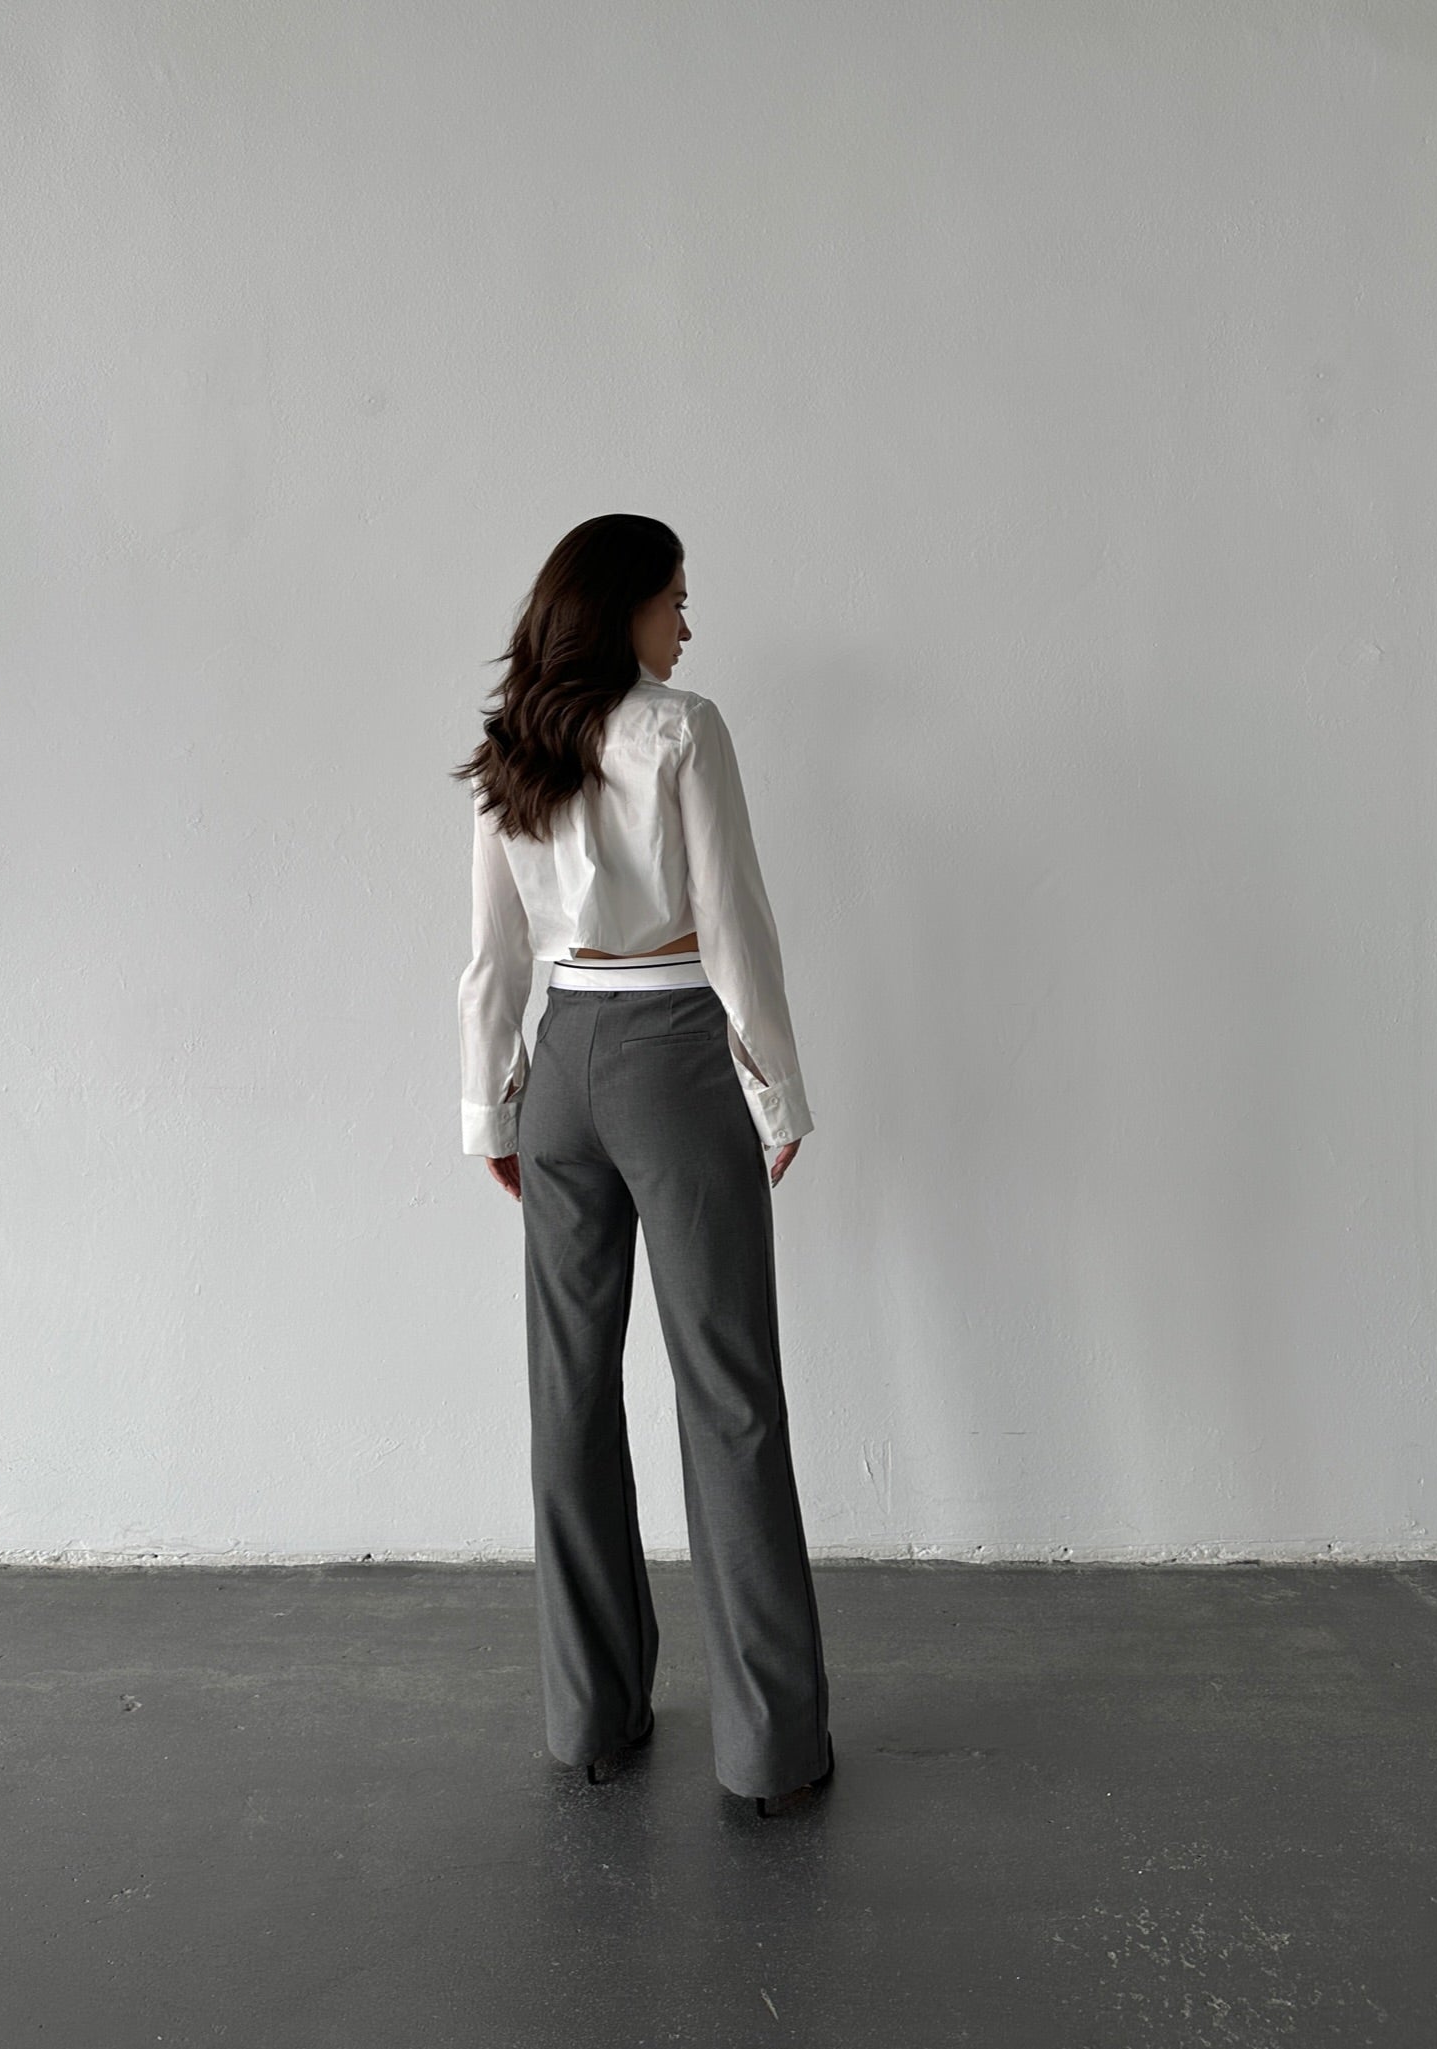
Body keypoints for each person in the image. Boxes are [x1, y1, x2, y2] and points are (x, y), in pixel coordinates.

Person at [452, 514, 835, 1818]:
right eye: (676, 597)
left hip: (558, 1064)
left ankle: (589, 1713)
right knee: (727, 1390)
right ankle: (768, 1746)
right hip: (672, 1058)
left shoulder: (520, 736)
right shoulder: (683, 727)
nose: (688, 621)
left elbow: (494, 955)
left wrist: (488, 1112)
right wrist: (776, 1087)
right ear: (622, 609)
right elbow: (734, 922)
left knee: (568, 1390)